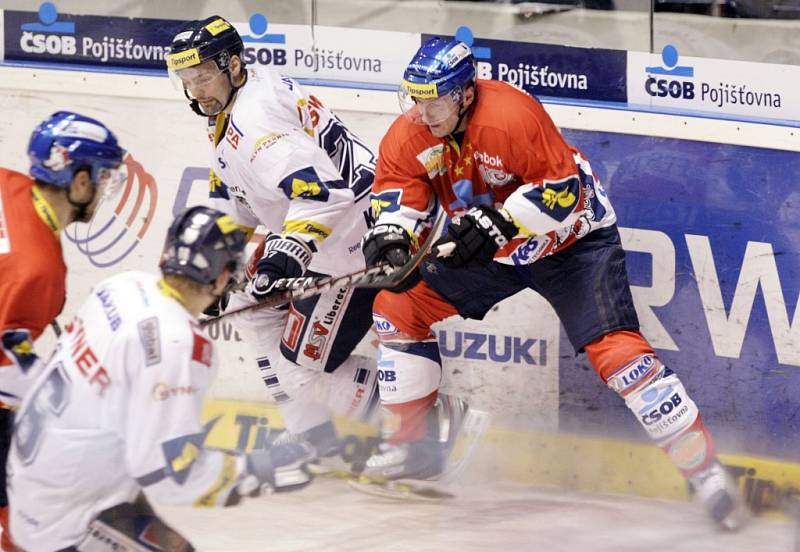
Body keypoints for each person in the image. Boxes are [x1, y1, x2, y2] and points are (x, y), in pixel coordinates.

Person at [360, 37, 745, 529]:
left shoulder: (511, 115)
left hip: (572, 243)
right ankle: (412, 447)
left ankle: (706, 471)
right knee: (397, 305)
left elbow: (564, 193)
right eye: (416, 98)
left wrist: (501, 220)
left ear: (463, 94)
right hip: (495, 251)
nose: (423, 111)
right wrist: (392, 234)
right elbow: (399, 191)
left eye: (434, 100)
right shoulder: (412, 131)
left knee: (619, 358)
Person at [7, 206, 314, 551]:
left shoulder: (121, 285)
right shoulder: (181, 344)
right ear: (223, 275)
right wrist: (254, 469)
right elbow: (168, 475)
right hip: (67, 512)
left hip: (31, 478)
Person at [165, 16, 381, 464]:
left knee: (299, 373)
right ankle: (313, 437)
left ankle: (425, 424)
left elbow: (323, 194)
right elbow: (238, 192)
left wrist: (285, 254)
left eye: (203, 75)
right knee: (247, 307)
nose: (196, 89)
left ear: (233, 64)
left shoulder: (253, 119)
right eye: (188, 79)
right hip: (332, 236)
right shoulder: (236, 100)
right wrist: (220, 265)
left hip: (356, 247)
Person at [0, 111, 127, 550]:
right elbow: (5, 375)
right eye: (103, 176)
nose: (105, 188)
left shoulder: (6, 182)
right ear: (78, 179)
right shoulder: (40, 271)